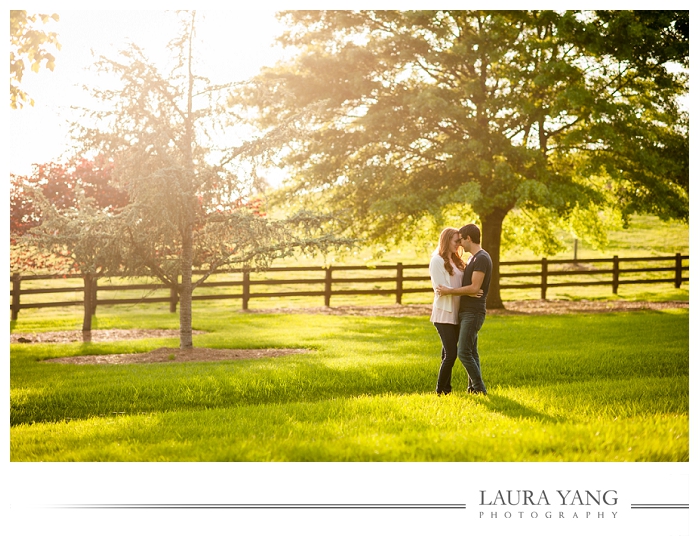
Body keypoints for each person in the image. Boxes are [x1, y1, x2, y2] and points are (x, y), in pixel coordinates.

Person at [437, 223, 492, 395]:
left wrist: (450, 291)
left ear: (469, 238)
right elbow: (471, 287)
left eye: (461, 239)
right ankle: (473, 389)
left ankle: (480, 389)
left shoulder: (482, 258)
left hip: (473, 312)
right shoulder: (473, 259)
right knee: (472, 352)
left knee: (463, 353)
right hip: (466, 311)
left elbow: (474, 288)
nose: (460, 243)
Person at [429, 228, 466, 395]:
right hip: (444, 313)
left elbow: (453, 287)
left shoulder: (457, 261)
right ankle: (440, 390)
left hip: (457, 312)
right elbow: (441, 288)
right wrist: (468, 290)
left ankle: (446, 389)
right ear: (446, 240)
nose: (459, 244)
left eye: (460, 241)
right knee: (452, 354)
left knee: (447, 354)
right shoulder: (437, 260)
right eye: (456, 241)